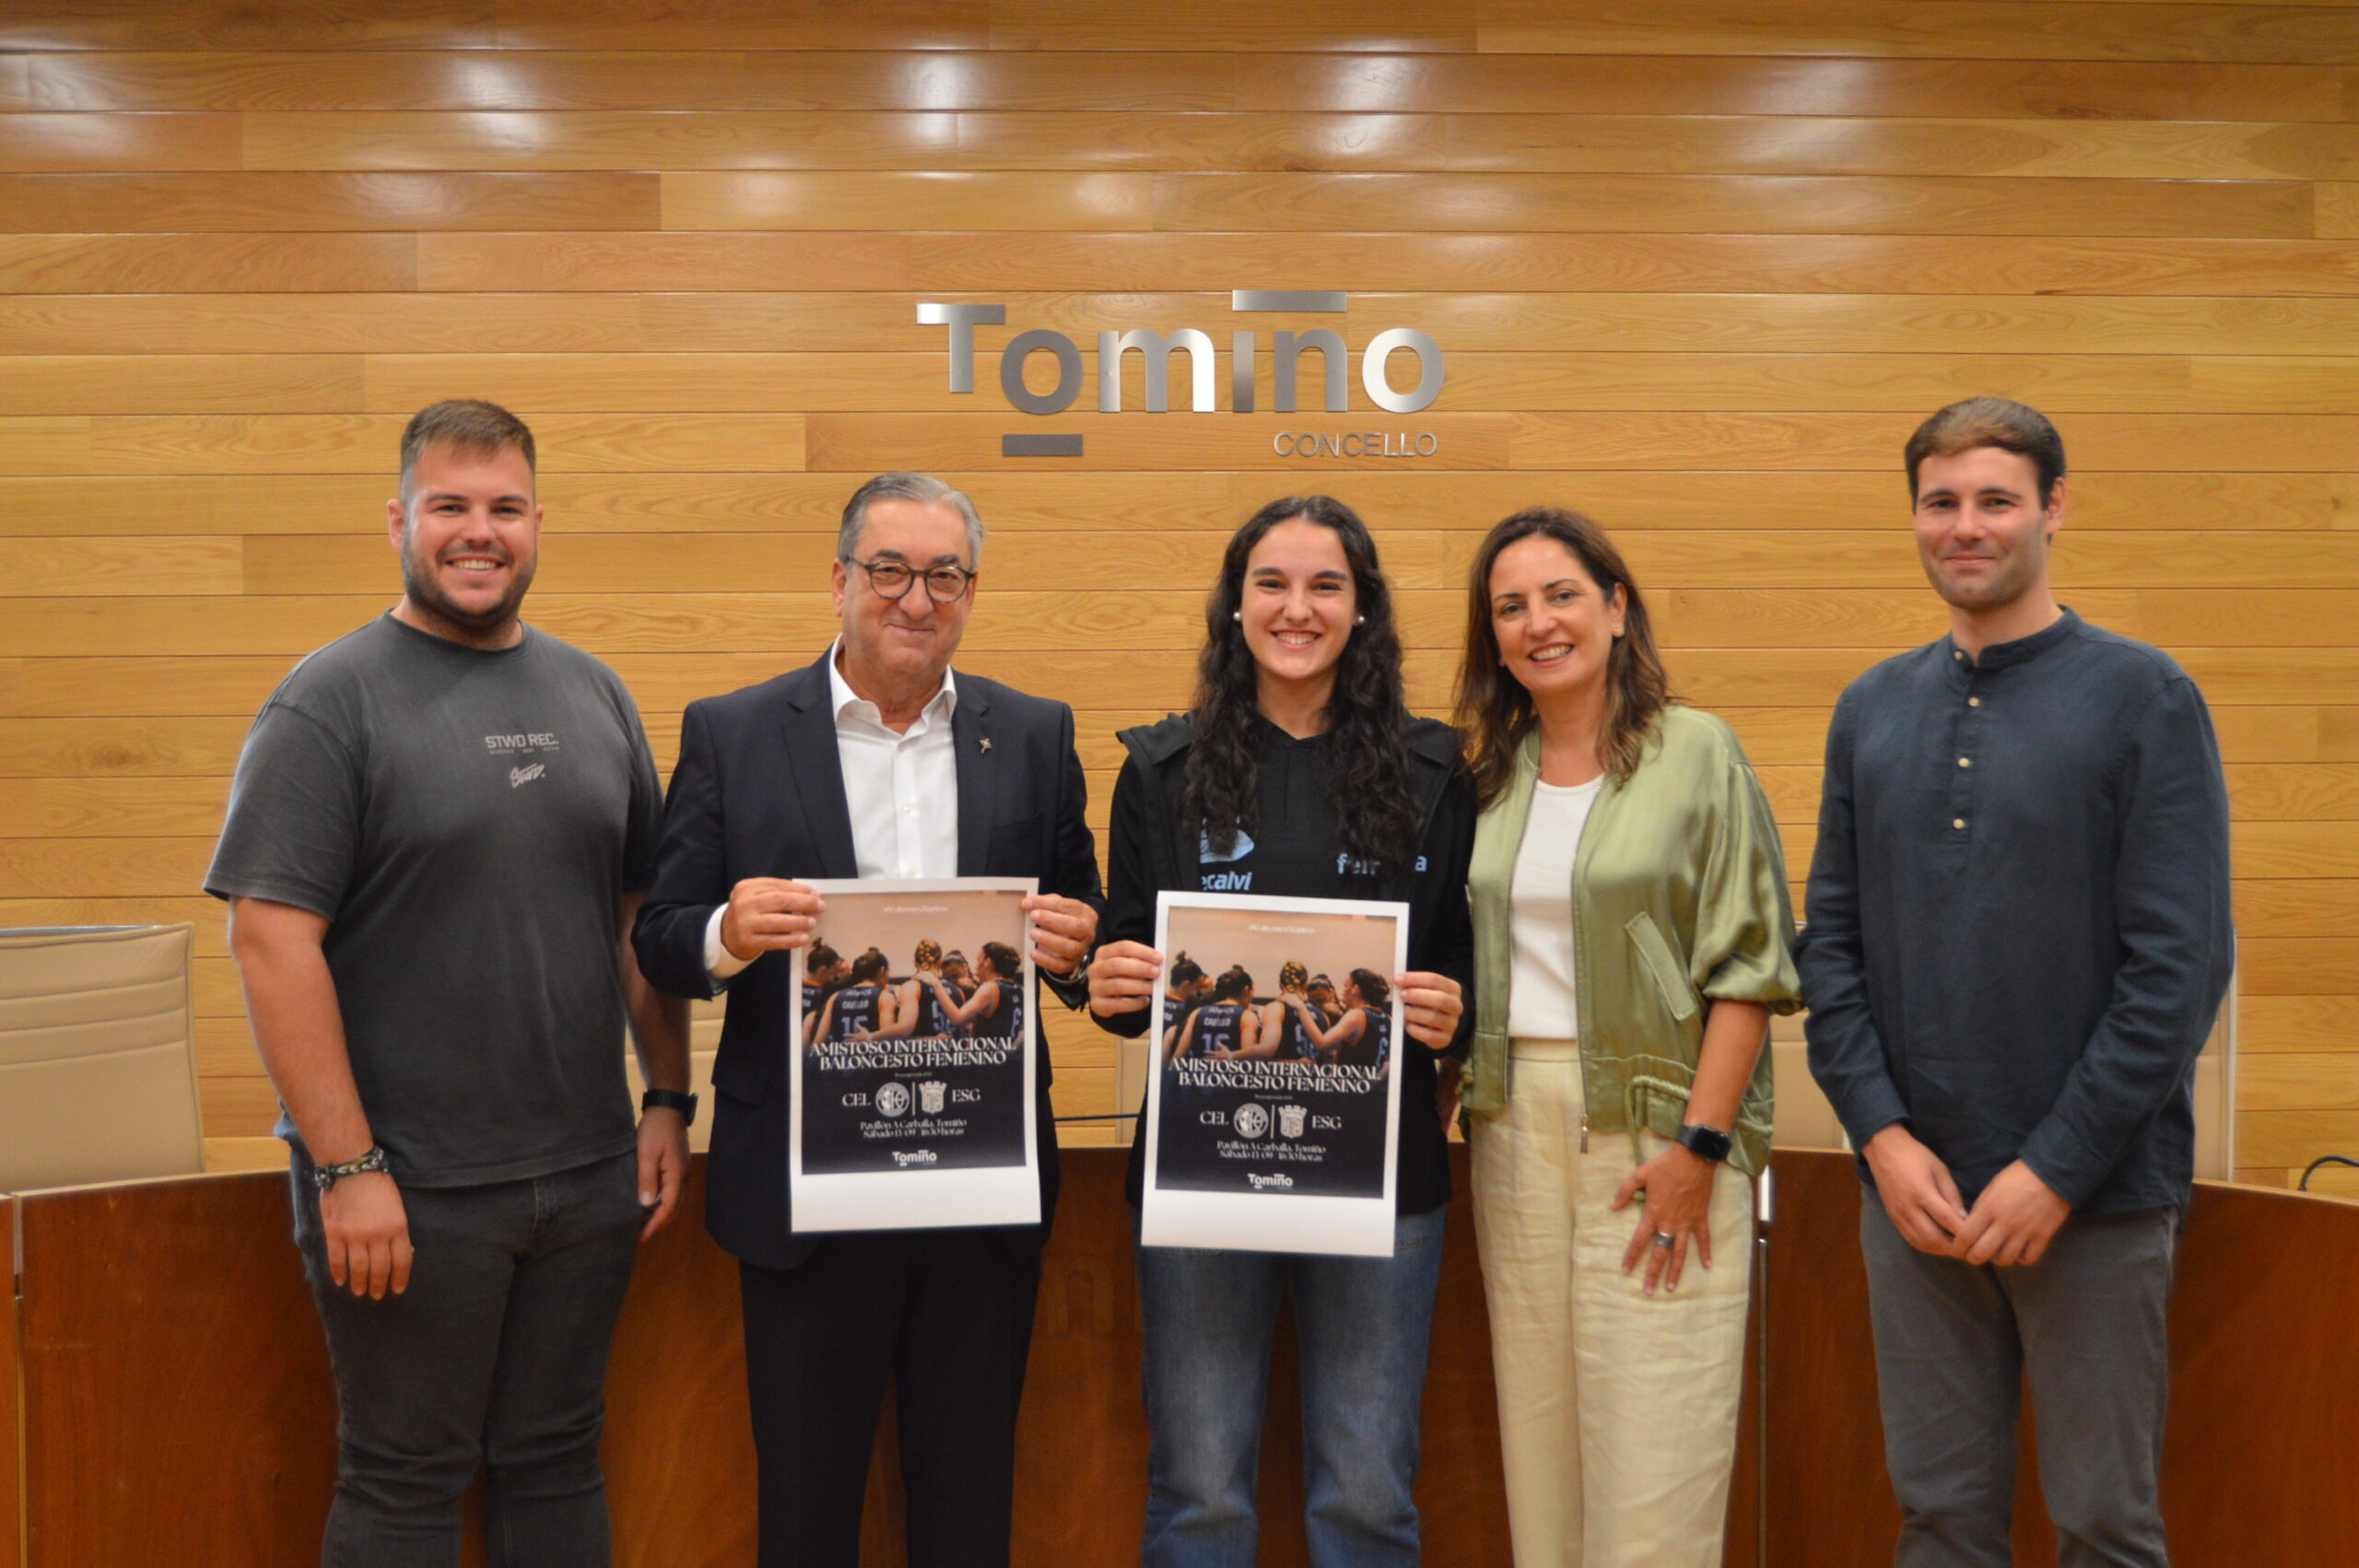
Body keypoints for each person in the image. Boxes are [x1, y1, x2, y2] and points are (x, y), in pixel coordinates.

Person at [205, 399, 693, 1567]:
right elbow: (271, 942)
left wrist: (667, 1098)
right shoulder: (328, 702)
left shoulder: (595, 692)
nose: (480, 533)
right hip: (409, 1190)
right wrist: (350, 1166)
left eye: (505, 509)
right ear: (399, 521)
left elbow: (637, 920)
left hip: (584, 1177)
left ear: (538, 523)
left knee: (558, 1458)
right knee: (404, 1478)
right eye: (451, 508)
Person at [629, 472, 1103, 1568]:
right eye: (889, 569)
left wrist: (1075, 950)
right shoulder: (735, 732)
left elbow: (1078, 921)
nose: (916, 598)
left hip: (977, 1187)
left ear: (971, 592)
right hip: (805, 1190)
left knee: (968, 1508)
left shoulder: (1030, 734)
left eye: (944, 575)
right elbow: (658, 935)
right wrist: (727, 931)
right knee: (805, 1512)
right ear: (841, 579)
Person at [1800, 398, 2234, 1568]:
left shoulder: (2144, 699)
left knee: (2103, 1526)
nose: (1966, 526)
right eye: (1941, 502)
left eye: (1995, 499)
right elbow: (1827, 951)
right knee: (1938, 1522)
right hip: (1918, 1202)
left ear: (2052, 508)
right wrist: (1882, 1141)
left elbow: (2178, 970)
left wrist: (2053, 1170)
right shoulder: (1871, 709)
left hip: (2091, 1202)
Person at [1086, 494, 1474, 1568]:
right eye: (1271, 582)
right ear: (1235, 606)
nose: (1295, 607)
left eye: (1324, 585)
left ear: (1363, 611)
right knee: (1201, 1489)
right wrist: (1111, 976)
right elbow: (1120, 977)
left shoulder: (1437, 770)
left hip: (1380, 1179)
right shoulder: (1161, 769)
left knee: (1365, 1490)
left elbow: (1462, 982)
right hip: (1202, 1174)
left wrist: (1449, 1009)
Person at [1452, 505, 1801, 1568]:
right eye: (1509, 606)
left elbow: (1749, 965)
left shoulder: (1695, 751)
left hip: (1662, 1130)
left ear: (1614, 606)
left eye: (1561, 595)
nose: (1537, 623)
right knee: (1541, 1443)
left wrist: (1701, 1148)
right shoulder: (1484, 773)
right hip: (1510, 1130)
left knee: (1656, 1452)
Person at [1171, 964, 1259, 1062]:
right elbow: (1249, 1060)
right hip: (1230, 1075)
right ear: (1247, 990)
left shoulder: (1197, 1013)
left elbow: (1177, 1057)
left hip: (1199, 1075)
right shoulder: (1247, 1017)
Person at [813, 946, 894, 1043]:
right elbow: (888, 1041)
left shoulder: (835, 997)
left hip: (839, 1056)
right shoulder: (885, 997)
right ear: (882, 971)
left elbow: (818, 1043)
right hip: (870, 1056)